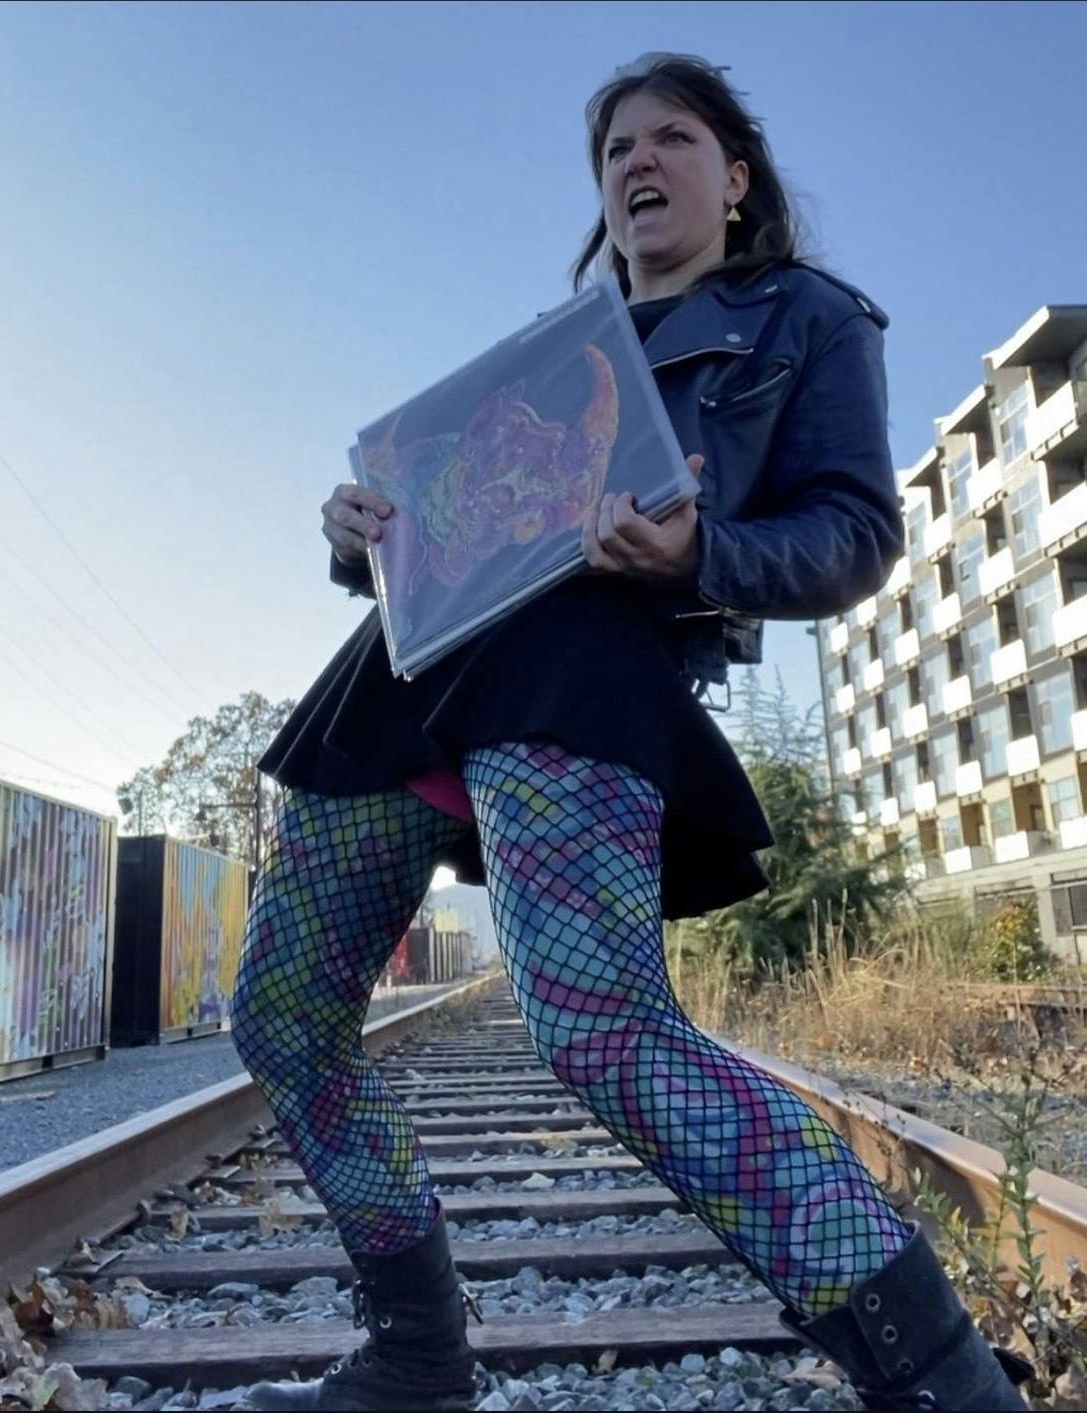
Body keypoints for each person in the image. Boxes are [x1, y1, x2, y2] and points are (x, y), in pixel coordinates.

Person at [233, 53, 1030, 1413]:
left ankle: (942, 1379)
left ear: (734, 179)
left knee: (597, 1026)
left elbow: (853, 533)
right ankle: (416, 1353)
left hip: (581, 676)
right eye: (613, 149)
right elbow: (458, 524)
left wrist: (696, 549)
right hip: (406, 677)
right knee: (281, 1015)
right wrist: (364, 533)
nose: (637, 161)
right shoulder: (551, 355)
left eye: (671, 137)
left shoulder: (805, 318)